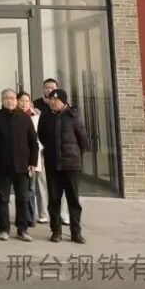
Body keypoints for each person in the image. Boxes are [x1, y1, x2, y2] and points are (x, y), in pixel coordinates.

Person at [0, 88, 39, 242]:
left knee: (22, 198)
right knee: (2, 199)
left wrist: (33, 162)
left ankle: (22, 229)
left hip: (22, 166)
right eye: (6, 98)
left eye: (12, 98)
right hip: (2, 166)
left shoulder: (24, 118)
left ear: (16, 100)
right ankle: (4, 229)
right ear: (2, 100)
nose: (10, 100)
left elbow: (33, 142)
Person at [38, 89, 88, 244]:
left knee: (73, 200)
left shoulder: (73, 116)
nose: (52, 102)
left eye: (56, 99)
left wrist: (75, 154)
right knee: (54, 199)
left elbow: (83, 140)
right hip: (53, 164)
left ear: (64, 101)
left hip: (71, 165)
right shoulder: (45, 116)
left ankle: (76, 233)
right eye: (51, 99)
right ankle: (56, 231)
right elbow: (41, 136)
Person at [18, 91, 44, 227]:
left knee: (30, 189)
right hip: (17, 159)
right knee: (20, 190)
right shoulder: (14, 116)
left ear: (30, 103)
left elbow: (40, 138)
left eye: (26, 101)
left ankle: (30, 217)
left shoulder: (37, 117)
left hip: (32, 158)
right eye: (21, 100)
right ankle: (21, 216)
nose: (24, 103)